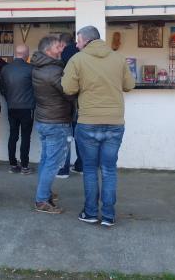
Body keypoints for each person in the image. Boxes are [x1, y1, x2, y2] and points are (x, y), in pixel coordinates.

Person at [61, 25, 135, 227]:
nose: (76, 45)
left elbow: (68, 88)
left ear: (86, 40)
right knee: (109, 170)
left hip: (88, 122)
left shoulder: (77, 59)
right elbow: (129, 85)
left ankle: (91, 213)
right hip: (114, 122)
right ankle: (109, 216)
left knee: (91, 169)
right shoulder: (118, 58)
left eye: (78, 41)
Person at [31, 36, 74, 214]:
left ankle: (44, 193)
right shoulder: (53, 71)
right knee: (53, 163)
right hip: (56, 122)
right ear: (48, 51)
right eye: (58, 47)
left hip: (44, 120)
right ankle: (42, 200)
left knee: (46, 159)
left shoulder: (39, 67)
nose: (61, 49)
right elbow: (69, 93)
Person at [0, 44, 35, 175]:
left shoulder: (6, 69)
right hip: (27, 107)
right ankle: (24, 166)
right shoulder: (31, 69)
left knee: (13, 135)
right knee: (26, 137)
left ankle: (13, 164)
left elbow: (1, 87)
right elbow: (36, 88)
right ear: (26, 54)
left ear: (16, 53)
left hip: (12, 106)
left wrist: (9, 98)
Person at [57, 32, 82, 178]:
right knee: (80, 136)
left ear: (62, 44)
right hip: (81, 103)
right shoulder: (81, 53)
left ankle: (63, 169)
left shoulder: (65, 55)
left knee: (65, 137)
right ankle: (81, 166)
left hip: (67, 104)